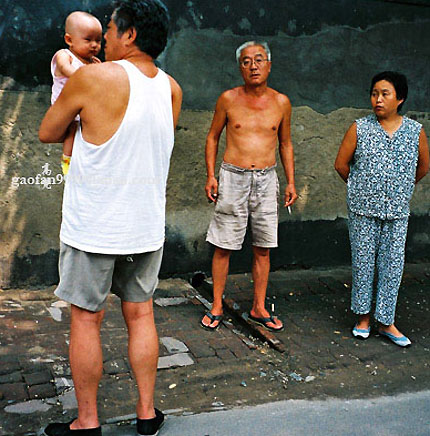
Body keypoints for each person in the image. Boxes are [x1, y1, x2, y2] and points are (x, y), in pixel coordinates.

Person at [39, 0, 182, 434]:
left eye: (110, 30)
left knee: (86, 318)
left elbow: (48, 131)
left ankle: (88, 422)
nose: (104, 40)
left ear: (130, 34)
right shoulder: (172, 89)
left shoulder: (94, 77)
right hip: (144, 227)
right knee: (141, 315)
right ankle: (145, 415)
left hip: (94, 227)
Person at [200, 41, 298, 332]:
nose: (253, 66)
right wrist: (211, 174)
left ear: (269, 64)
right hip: (233, 177)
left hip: (267, 179)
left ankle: (258, 306)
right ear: (239, 67)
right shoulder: (228, 99)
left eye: (258, 59)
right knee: (223, 245)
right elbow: (212, 137)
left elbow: (285, 143)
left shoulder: (281, 102)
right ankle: (217, 304)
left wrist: (291, 181)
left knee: (263, 247)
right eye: (246, 61)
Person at [335, 71, 429, 347]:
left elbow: (423, 166)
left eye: (384, 94)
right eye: (374, 93)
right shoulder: (359, 128)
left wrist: (400, 188)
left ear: (400, 99)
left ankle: (386, 321)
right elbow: (341, 164)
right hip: (363, 209)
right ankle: (363, 318)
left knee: (392, 265)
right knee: (363, 262)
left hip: (398, 211)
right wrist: (359, 187)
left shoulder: (415, 131)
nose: (377, 99)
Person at [51, 11, 102, 175]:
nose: (94, 45)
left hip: (83, 105)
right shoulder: (64, 55)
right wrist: (87, 73)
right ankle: (67, 161)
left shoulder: (93, 62)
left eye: (98, 40)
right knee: (72, 131)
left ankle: (86, 161)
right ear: (69, 40)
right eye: (88, 40)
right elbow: (67, 70)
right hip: (65, 104)